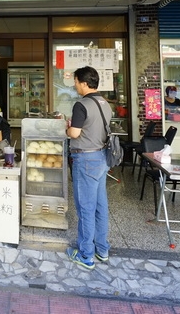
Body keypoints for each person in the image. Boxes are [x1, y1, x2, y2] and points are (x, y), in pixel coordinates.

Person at [65, 66, 112, 271]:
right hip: (101, 158)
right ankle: (102, 249)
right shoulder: (105, 103)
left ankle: (86, 255)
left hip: (85, 159)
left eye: (76, 82)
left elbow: (74, 134)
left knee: (85, 207)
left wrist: (67, 127)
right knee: (100, 206)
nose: (75, 85)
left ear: (84, 83)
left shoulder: (82, 104)